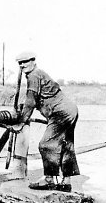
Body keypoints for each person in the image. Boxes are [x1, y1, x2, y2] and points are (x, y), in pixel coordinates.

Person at [16, 51, 79, 192]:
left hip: (61, 112)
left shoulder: (33, 75)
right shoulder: (38, 73)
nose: (22, 65)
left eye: (25, 62)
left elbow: (31, 101)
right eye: (20, 63)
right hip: (70, 109)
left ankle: (49, 179)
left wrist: (22, 119)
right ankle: (66, 181)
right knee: (66, 145)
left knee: (46, 144)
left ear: (33, 61)